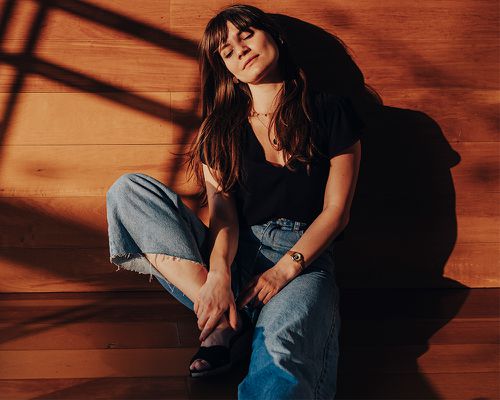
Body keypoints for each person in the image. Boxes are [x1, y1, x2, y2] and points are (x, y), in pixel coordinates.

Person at [106, 3, 365, 399]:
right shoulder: (219, 129)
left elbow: (336, 212)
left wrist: (281, 272)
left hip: (303, 259)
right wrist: (220, 277)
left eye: (246, 35)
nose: (239, 49)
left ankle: (231, 325)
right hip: (231, 251)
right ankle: (226, 316)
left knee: (282, 351)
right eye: (227, 50)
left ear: (274, 36)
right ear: (225, 68)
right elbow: (223, 217)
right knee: (128, 190)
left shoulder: (330, 110)